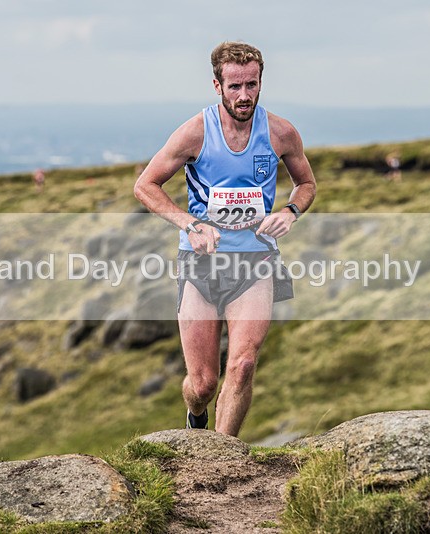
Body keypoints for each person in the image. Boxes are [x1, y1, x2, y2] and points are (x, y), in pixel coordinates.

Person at [134, 41, 316, 437]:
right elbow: (145, 185)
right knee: (202, 384)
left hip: (255, 262)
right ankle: (196, 417)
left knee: (244, 364)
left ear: (261, 81)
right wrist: (189, 224)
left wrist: (290, 211)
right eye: (234, 86)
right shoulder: (195, 132)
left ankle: (221, 457)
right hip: (201, 264)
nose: (244, 95)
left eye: (252, 84)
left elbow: (306, 183)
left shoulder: (281, 132)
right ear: (217, 85)